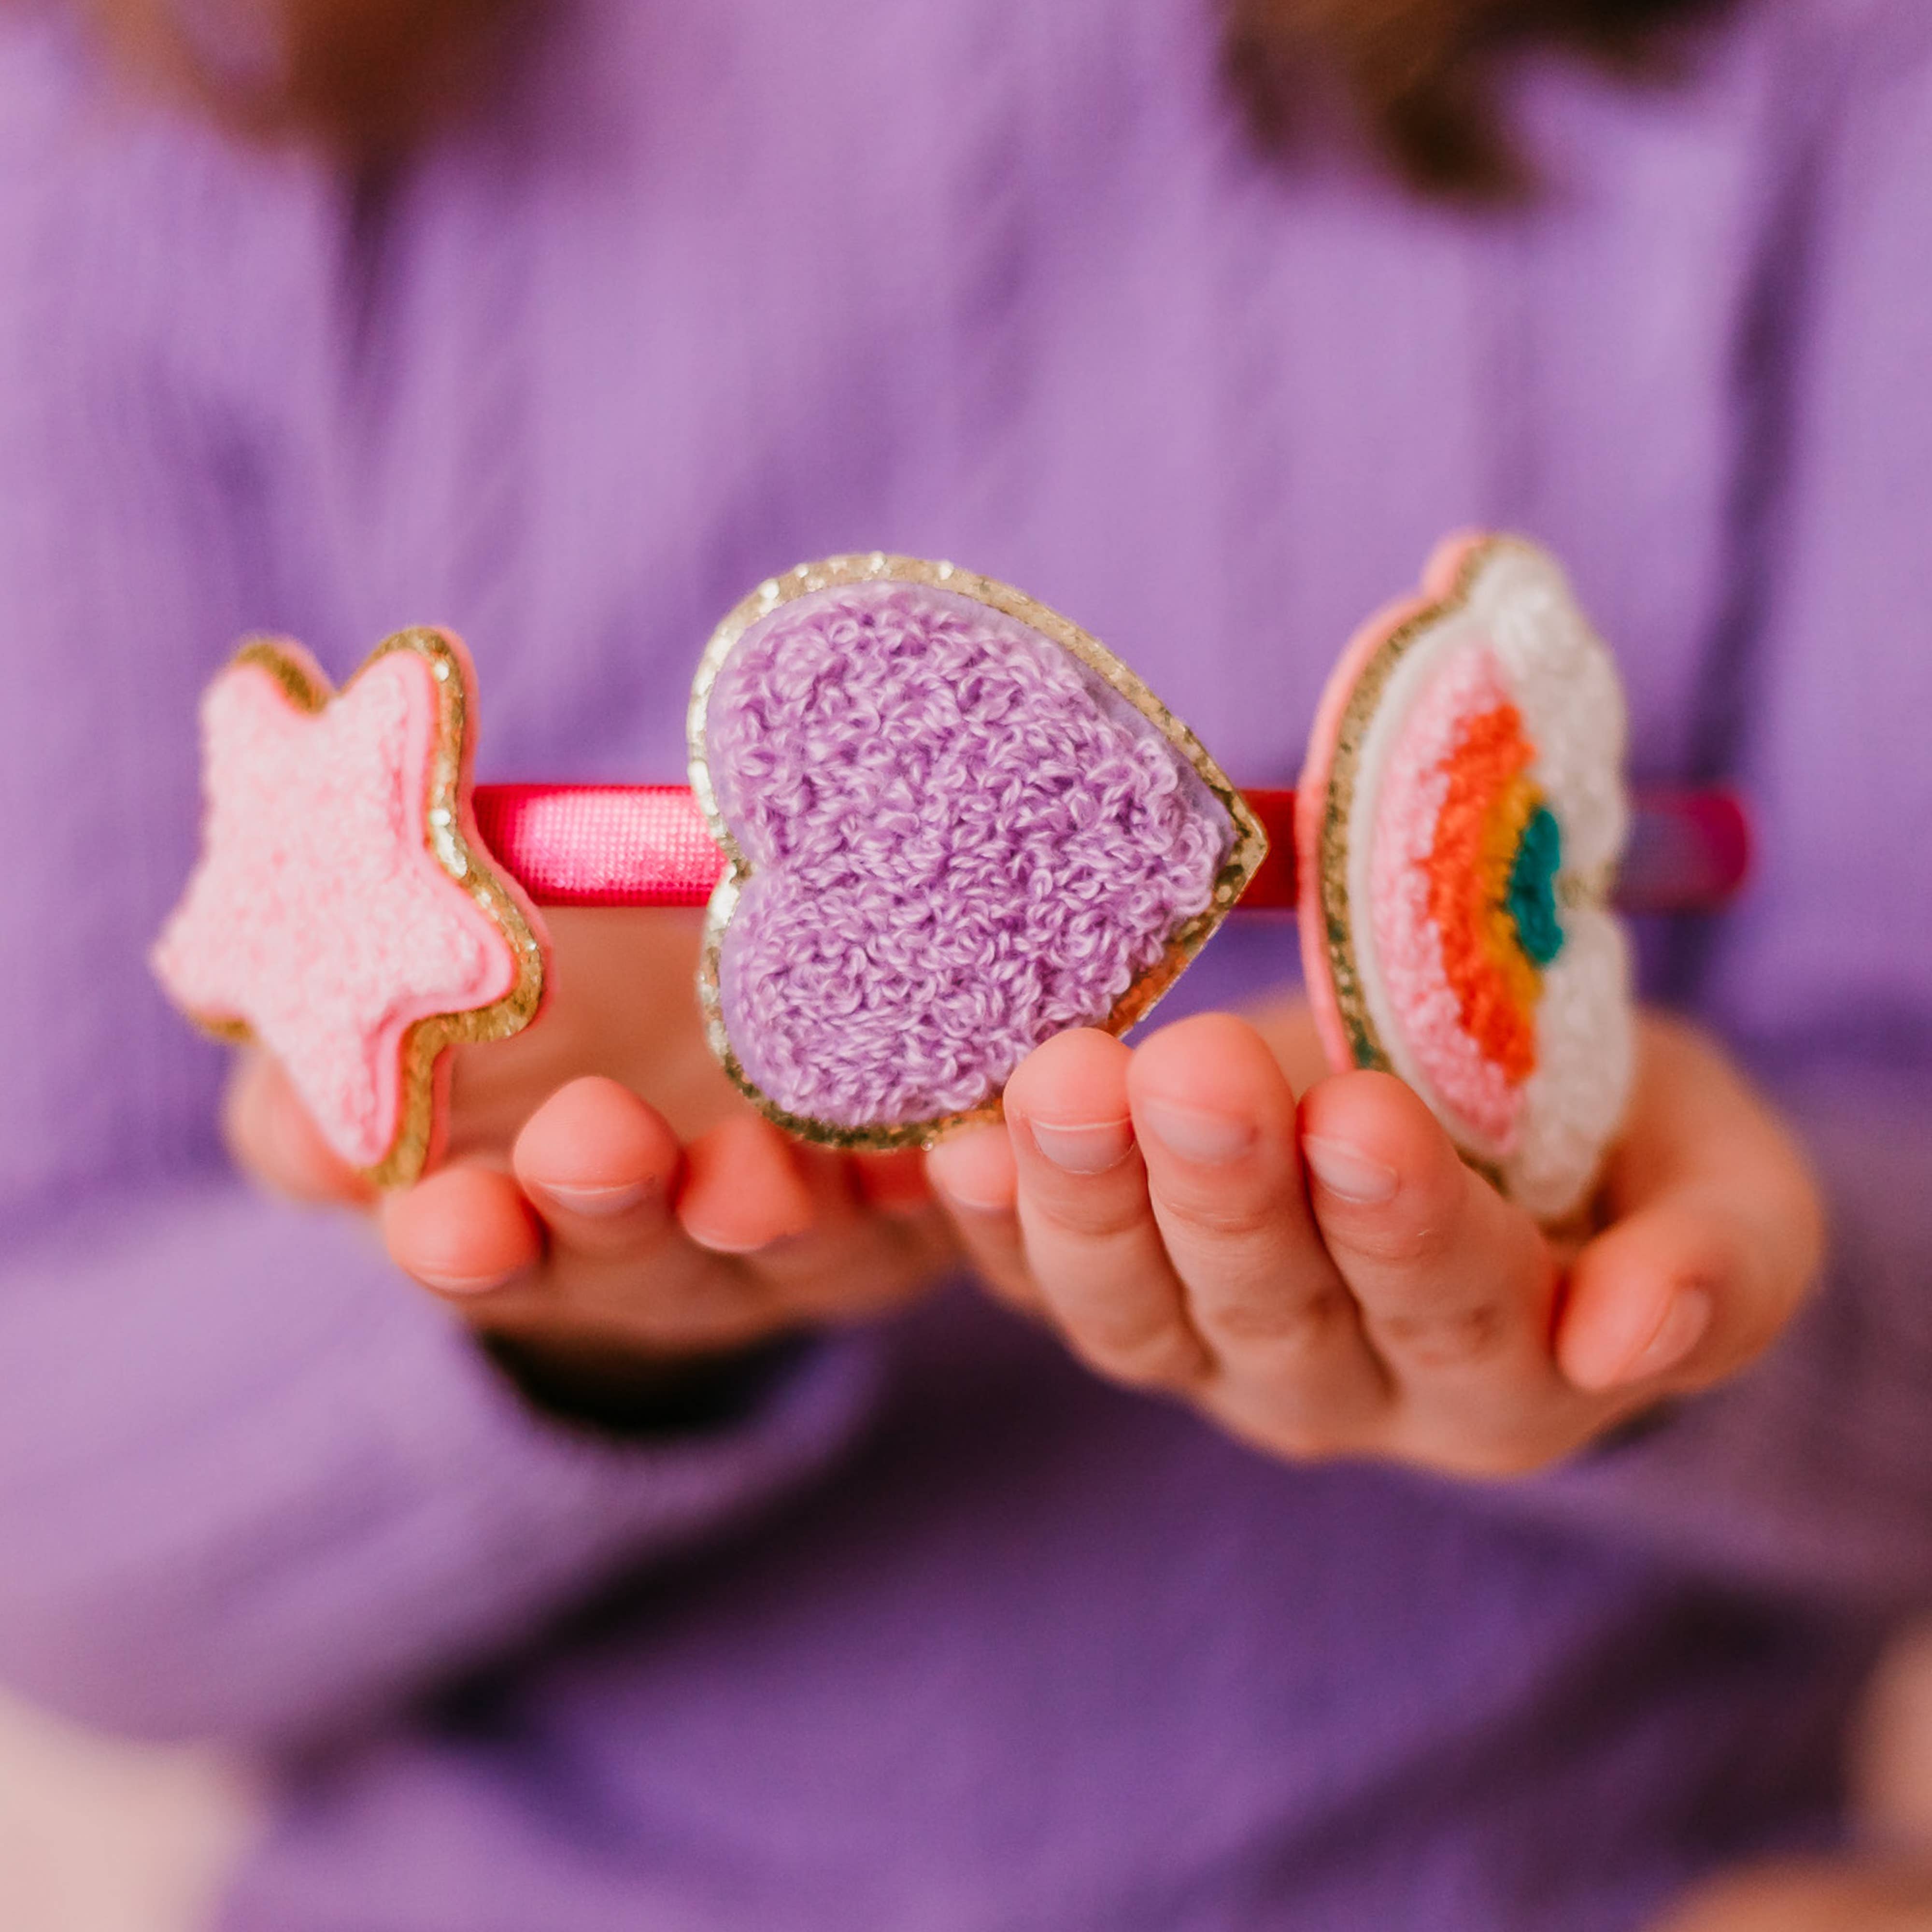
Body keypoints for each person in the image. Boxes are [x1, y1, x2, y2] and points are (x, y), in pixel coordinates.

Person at [0, 0, 1929, 1925]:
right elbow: (54, 1513)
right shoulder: (137, 103)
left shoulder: (1822, 67)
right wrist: (552, 1330)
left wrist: (1662, 1317)